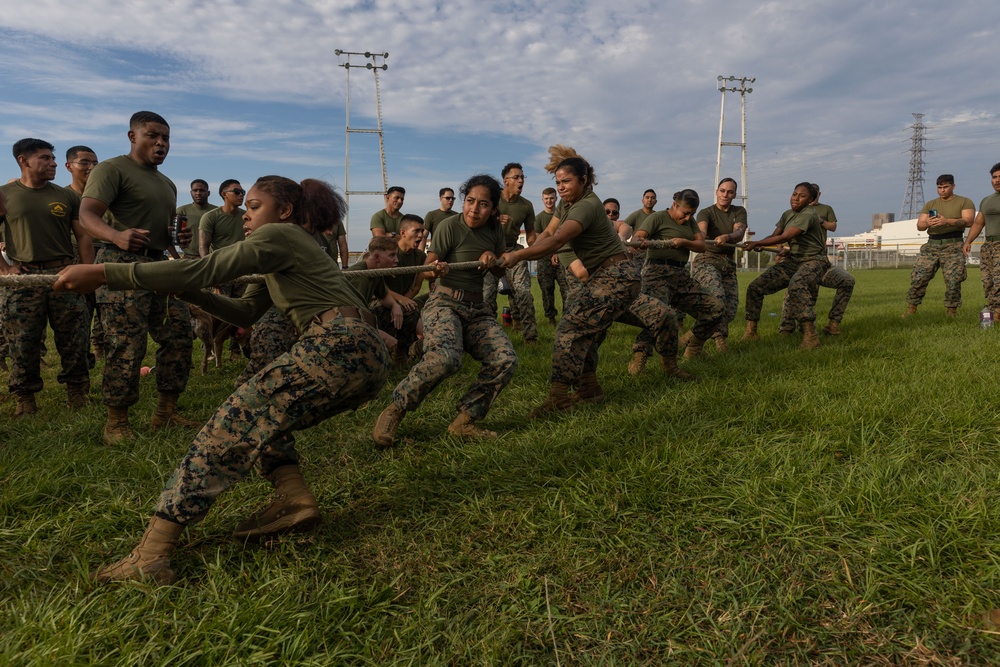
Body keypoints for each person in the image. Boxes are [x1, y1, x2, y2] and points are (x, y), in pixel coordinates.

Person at [56, 175, 392, 585]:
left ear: (284, 212)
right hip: (365, 356)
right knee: (259, 412)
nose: (245, 216)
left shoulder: (282, 235)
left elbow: (205, 267)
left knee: (225, 428)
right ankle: (294, 497)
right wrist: (191, 295)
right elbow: (245, 314)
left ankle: (151, 555)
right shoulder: (292, 249)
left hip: (338, 346)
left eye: (253, 207)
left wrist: (107, 272)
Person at [498, 146, 671, 415]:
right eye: (557, 183)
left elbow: (557, 240)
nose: (561, 187)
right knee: (588, 330)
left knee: (570, 329)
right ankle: (589, 389)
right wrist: (517, 252)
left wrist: (517, 256)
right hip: (606, 276)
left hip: (617, 277)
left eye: (567, 181)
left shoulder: (587, 205)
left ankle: (558, 398)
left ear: (584, 181)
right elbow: (547, 234)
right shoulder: (566, 206)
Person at [79, 110, 199, 444]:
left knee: (179, 336)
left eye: (166, 138)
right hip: (121, 264)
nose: (161, 143)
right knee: (126, 344)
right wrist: (115, 235)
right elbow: (87, 215)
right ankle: (116, 422)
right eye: (153, 135)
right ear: (133, 137)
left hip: (159, 265)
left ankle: (166, 412)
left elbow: (162, 229)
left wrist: (177, 241)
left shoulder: (167, 183)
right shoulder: (112, 169)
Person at [372, 174, 516, 447]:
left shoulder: (496, 231)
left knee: (505, 360)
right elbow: (427, 269)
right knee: (446, 358)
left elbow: (500, 270)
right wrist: (437, 267)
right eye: (470, 201)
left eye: (483, 204)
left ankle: (465, 421)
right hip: (445, 302)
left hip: (477, 308)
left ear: (493, 209)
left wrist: (493, 260)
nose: (474, 209)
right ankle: (395, 410)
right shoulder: (450, 226)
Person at [0, 138, 93, 416]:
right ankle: (25, 398)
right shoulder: (5, 194)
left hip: (63, 273)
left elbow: (83, 236)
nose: (53, 163)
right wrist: (5, 271)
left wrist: (87, 271)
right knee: (23, 339)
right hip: (23, 277)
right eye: (45, 158)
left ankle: (77, 392)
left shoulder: (67, 196)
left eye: (53, 158)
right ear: (23, 160)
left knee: (74, 336)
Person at [629, 189, 724, 373]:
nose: (688, 217)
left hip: (680, 275)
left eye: (692, 214)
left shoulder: (691, 222)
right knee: (657, 314)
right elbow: (637, 236)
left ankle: (694, 347)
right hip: (656, 273)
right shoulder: (658, 217)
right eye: (685, 213)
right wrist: (640, 241)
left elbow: (702, 246)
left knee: (715, 309)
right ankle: (640, 353)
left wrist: (683, 242)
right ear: (674, 205)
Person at [742, 182, 829, 349]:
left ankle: (811, 336)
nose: (796, 199)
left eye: (802, 196)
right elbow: (776, 235)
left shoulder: (809, 214)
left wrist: (757, 242)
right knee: (755, 287)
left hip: (814, 260)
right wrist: (762, 244)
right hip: (793, 260)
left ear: (811, 200)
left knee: (797, 285)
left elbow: (786, 236)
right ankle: (751, 333)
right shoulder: (787, 214)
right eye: (794, 194)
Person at [777, 184, 854, 335]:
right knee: (795, 289)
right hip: (797, 259)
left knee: (845, 281)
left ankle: (833, 324)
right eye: (796, 194)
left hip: (818, 259)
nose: (799, 198)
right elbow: (782, 234)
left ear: (816, 195)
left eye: (806, 195)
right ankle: (787, 328)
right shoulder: (792, 212)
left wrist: (820, 221)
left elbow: (833, 226)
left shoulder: (825, 209)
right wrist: (782, 249)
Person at [902, 174, 975, 318]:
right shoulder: (930, 204)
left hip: (953, 245)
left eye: (946, 187)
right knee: (919, 277)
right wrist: (928, 223)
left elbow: (968, 221)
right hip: (932, 245)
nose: (942, 190)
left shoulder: (964, 202)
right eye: (940, 187)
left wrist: (946, 221)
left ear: (953, 186)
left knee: (953, 280)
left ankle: (951, 311)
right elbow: (920, 226)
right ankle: (911, 309)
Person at [482, 163, 538, 343]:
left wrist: (536, 246)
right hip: (490, 252)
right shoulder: (491, 199)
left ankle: (531, 337)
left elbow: (530, 234)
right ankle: (489, 336)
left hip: (514, 251)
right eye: (516, 177)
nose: (521, 180)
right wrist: (495, 218)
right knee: (487, 295)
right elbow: (475, 221)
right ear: (506, 181)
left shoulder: (526, 205)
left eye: (522, 177)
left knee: (523, 292)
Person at [691, 178, 747, 352]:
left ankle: (691, 335)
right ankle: (718, 340)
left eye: (730, 192)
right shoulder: (706, 212)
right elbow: (702, 230)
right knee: (717, 298)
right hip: (706, 259)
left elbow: (739, 232)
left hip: (728, 263)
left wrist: (727, 237)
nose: (725, 195)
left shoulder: (739, 211)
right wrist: (700, 236)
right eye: (722, 191)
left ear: (735, 195)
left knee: (730, 309)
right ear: (716, 191)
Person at [64, 145, 103, 364]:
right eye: (85, 162)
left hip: (104, 254)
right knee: (79, 313)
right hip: (75, 258)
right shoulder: (62, 196)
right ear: (69, 166)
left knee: (106, 309)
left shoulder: (104, 196)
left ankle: (100, 347)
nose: (91, 167)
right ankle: (81, 357)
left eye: (95, 163)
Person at [963, 163, 1000, 320]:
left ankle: (997, 313)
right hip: (989, 246)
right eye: (994, 177)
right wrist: (968, 241)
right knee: (988, 281)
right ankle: (992, 310)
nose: (997, 180)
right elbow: (978, 223)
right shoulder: (986, 200)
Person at [535, 187, 570, 326]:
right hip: (544, 260)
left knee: (566, 289)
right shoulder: (538, 218)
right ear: (543, 200)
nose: (549, 201)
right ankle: (551, 318)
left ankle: (567, 318)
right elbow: (540, 240)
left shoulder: (563, 215)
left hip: (563, 257)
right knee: (547, 290)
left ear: (556, 199)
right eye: (546, 198)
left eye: (552, 198)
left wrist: (557, 252)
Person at [199, 179, 246, 257]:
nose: (241, 195)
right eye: (237, 191)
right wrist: (208, 267)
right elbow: (203, 247)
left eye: (243, 192)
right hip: (218, 264)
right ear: (224, 194)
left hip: (241, 263)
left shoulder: (246, 216)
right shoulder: (210, 217)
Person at [176, 179, 217, 260]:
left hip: (211, 259)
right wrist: (177, 259)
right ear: (191, 192)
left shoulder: (216, 212)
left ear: (208, 193)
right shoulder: (182, 211)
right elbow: (170, 237)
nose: (198, 193)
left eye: (202, 190)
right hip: (188, 259)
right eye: (195, 190)